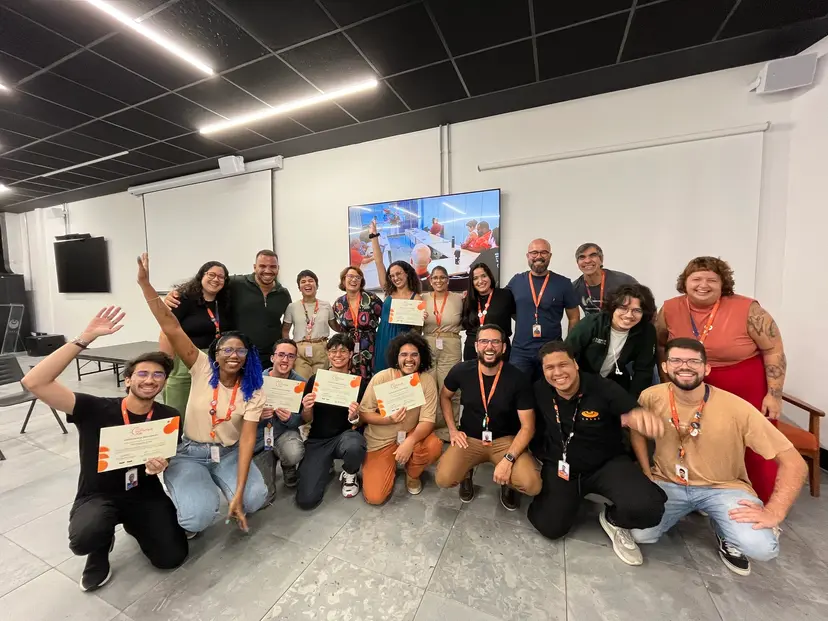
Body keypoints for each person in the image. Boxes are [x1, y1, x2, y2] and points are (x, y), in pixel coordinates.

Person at [21, 307, 188, 592]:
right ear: (127, 380)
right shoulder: (93, 408)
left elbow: (168, 454)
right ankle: (100, 546)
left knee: (171, 558)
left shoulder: (169, 415)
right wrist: (84, 338)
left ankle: (137, 525)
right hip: (98, 493)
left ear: (164, 382)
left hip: (144, 493)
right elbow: (34, 382)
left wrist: (162, 464)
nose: (150, 380)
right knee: (86, 536)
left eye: (158, 375)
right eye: (143, 373)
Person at [631, 338, 807, 576]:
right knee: (639, 533)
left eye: (694, 361)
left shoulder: (737, 408)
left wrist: (775, 510)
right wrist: (645, 471)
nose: (685, 366)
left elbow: (794, 462)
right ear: (665, 366)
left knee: (763, 547)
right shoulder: (651, 396)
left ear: (706, 368)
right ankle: (686, 511)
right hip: (669, 483)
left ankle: (726, 531)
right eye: (676, 360)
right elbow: (637, 431)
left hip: (722, 488)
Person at [138, 254, 267, 535]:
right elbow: (171, 325)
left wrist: (239, 492)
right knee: (196, 519)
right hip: (191, 453)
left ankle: (223, 486)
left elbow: (246, 442)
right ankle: (191, 492)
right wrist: (146, 286)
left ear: (247, 357)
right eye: (226, 350)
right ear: (215, 354)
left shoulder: (253, 390)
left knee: (254, 499)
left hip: (229, 453)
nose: (233, 355)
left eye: (240, 350)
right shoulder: (201, 367)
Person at [657, 256, 787, 504]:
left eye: (711, 280)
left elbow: (774, 351)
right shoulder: (670, 309)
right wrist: (667, 381)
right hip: (690, 384)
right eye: (696, 278)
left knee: (756, 444)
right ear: (685, 283)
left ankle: (765, 501)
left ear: (723, 283)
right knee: (695, 440)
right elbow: (661, 345)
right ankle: (700, 496)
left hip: (743, 383)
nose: (703, 285)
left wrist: (774, 394)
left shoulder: (749, 309)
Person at [527, 341, 667, 566]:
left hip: (606, 464)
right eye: (549, 368)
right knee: (550, 527)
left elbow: (630, 410)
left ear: (575, 364)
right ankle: (568, 499)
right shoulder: (539, 390)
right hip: (562, 465)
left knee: (649, 508)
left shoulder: (603, 387)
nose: (557, 373)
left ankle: (612, 519)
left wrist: (637, 415)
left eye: (563, 364)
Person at [435, 324, 542, 510]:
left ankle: (508, 483)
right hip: (469, 438)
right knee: (444, 478)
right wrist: (452, 430)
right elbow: (445, 396)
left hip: (505, 440)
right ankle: (466, 474)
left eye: (495, 342)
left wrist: (509, 460)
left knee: (532, 485)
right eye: (484, 341)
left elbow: (528, 427)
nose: (489, 347)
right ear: (476, 346)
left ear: (503, 347)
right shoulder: (461, 370)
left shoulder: (518, 378)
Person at [166, 250, 291, 370]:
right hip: (238, 356)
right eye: (262, 266)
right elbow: (211, 282)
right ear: (254, 267)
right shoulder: (237, 283)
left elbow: (286, 325)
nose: (267, 270)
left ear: (278, 268)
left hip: (269, 358)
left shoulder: (283, 294)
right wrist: (176, 293)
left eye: (272, 266)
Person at [357, 332, 442, 504]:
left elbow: (428, 420)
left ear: (421, 357)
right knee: (375, 497)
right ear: (396, 357)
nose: (409, 359)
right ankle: (388, 464)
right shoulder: (382, 377)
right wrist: (387, 420)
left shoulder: (426, 381)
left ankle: (412, 474)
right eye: (404, 354)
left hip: (410, 435)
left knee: (433, 446)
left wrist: (410, 442)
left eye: (414, 354)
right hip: (381, 440)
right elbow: (364, 413)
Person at [296, 334, 368, 509]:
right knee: (306, 501)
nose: (338, 355)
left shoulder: (359, 383)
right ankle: (324, 466)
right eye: (333, 350)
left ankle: (349, 472)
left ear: (351, 354)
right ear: (327, 354)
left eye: (343, 351)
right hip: (318, 440)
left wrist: (354, 417)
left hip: (345, 437)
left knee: (355, 446)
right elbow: (307, 419)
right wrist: (306, 408)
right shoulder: (315, 380)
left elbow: (361, 421)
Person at [160, 261, 231, 421]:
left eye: (221, 277)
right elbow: (166, 332)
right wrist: (164, 365)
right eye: (211, 275)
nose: (216, 279)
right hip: (185, 361)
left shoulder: (224, 302)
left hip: (214, 361)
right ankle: (177, 440)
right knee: (179, 405)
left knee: (206, 406)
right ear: (201, 276)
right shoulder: (182, 299)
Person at [566, 284, 657, 398]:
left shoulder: (647, 331)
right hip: (581, 384)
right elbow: (567, 356)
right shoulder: (591, 323)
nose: (629, 315)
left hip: (615, 385)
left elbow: (643, 371)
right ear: (613, 307)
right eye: (623, 308)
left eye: (637, 310)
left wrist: (633, 402)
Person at [507, 239, 580, 379]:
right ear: (528, 256)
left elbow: (574, 317)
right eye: (534, 252)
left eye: (543, 252)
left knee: (549, 392)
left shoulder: (563, 283)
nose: (539, 256)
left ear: (550, 256)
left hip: (552, 351)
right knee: (518, 391)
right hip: (521, 351)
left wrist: (568, 346)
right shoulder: (516, 281)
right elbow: (503, 305)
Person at [368, 220, 423, 373]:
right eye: (392, 275)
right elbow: (379, 262)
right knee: (381, 376)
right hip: (383, 338)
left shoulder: (416, 298)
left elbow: (418, 331)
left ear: (407, 273)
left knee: (399, 379)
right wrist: (374, 236)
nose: (395, 278)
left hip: (402, 343)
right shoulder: (388, 292)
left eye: (398, 273)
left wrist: (420, 317)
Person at [421, 266, 463, 441]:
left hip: (451, 343)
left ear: (448, 280)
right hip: (428, 342)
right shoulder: (421, 298)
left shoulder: (459, 298)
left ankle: (449, 428)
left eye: (442, 278)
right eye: (435, 278)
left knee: (450, 386)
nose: (439, 281)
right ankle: (429, 426)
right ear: (430, 280)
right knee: (429, 386)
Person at [258, 339, 306, 489]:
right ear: (272, 358)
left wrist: (290, 418)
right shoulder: (257, 381)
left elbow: (302, 420)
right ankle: (268, 459)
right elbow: (241, 415)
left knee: (294, 452)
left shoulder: (300, 384)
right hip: (259, 437)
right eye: (281, 355)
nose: (285, 360)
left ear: (295, 360)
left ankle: (288, 465)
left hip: (284, 434)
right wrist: (257, 415)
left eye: (291, 356)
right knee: (263, 494)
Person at [331, 266, 384, 380]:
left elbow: (386, 318)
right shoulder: (338, 303)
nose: (354, 280)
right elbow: (335, 324)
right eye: (350, 276)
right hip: (347, 347)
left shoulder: (372, 298)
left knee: (371, 378)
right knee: (349, 378)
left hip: (371, 345)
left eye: (357, 277)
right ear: (343, 280)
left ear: (361, 281)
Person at [281, 270, 335, 379]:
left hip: (321, 348)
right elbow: (285, 330)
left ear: (317, 285)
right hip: (300, 349)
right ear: (299, 287)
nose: (307, 284)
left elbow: (335, 326)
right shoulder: (292, 307)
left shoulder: (326, 305)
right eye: (303, 281)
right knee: (302, 384)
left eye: (311, 281)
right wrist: (289, 348)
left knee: (320, 383)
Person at [461, 262, 514, 361]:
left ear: (490, 277)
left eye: (483, 276)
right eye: (475, 278)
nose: (480, 281)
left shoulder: (505, 295)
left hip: (498, 348)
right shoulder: (468, 299)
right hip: (473, 350)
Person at [572, 243, 638, 315]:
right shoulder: (574, 288)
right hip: (594, 326)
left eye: (593, 255)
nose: (587, 261)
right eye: (582, 257)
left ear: (601, 259)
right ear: (577, 263)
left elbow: (648, 307)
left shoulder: (624, 281)